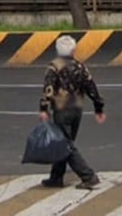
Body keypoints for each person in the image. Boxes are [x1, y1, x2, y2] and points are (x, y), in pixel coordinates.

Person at [38, 35, 106, 190]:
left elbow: (48, 90)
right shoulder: (80, 67)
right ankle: (56, 177)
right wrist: (98, 108)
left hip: (62, 110)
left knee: (65, 145)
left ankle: (88, 176)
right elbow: (91, 88)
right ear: (74, 50)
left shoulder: (54, 67)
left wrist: (43, 108)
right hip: (77, 110)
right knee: (65, 143)